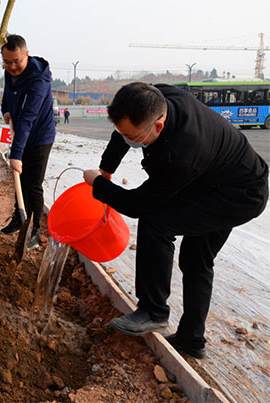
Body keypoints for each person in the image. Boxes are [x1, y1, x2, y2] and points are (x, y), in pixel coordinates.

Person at [83, 82, 268, 359]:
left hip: (238, 194)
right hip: (212, 179)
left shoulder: (181, 153)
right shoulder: (155, 97)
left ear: (157, 126)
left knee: (156, 223)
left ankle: (153, 311)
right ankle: (191, 339)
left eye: (134, 137)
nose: (129, 141)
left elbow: (139, 205)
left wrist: (99, 186)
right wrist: (106, 169)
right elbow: (123, 132)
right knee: (196, 259)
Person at [0, 34, 56, 250]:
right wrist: (6, 109)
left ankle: (34, 231)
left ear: (27, 55)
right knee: (19, 181)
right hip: (21, 132)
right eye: (7, 62)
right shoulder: (9, 70)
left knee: (33, 184)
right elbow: (8, 92)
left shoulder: (39, 80)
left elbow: (28, 118)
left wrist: (16, 154)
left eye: (17, 61)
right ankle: (18, 217)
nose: (12, 67)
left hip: (40, 137)